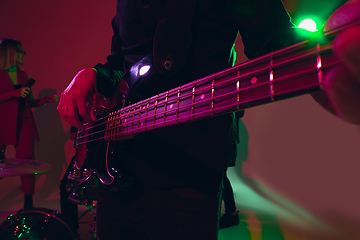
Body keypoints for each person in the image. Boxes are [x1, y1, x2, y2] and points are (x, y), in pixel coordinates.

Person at [57, 1, 360, 239]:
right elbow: (121, 63)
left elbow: (275, 40)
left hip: (187, 176)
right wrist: (92, 75)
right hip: (119, 176)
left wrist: (324, 64)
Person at [0, 38, 58, 209]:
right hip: (2, 123)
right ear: (7, 53)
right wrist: (15, 92)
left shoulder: (23, 75)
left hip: (24, 121)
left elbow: (29, 103)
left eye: (22, 50)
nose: (22, 54)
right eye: (18, 50)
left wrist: (45, 100)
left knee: (27, 162)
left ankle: (28, 203)